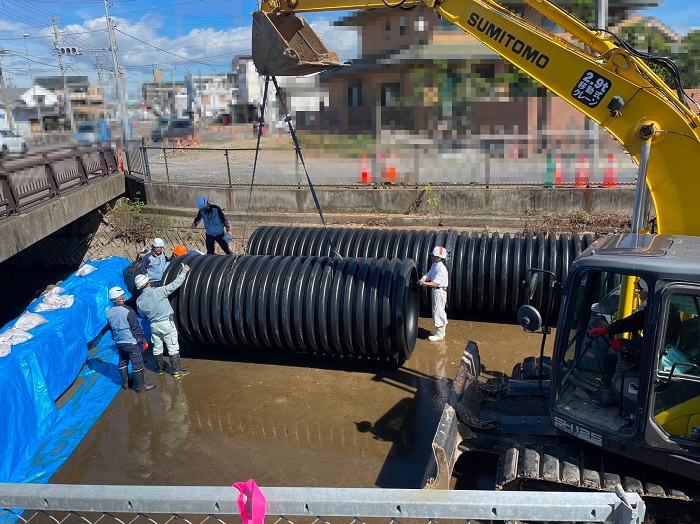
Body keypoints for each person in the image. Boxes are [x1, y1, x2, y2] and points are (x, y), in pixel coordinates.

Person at [135, 265, 191, 378]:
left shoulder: (139, 301)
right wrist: (184, 271)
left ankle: (160, 369)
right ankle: (176, 371)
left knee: (157, 347)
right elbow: (175, 284)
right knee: (172, 346)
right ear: (148, 283)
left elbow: (142, 314)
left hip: (154, 325)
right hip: (166, 323)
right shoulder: (158, 291)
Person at [106, 286, 155, 393]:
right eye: (122, 295)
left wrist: (115, 338)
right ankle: (140, 386)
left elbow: (111, 328)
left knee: (123, 360)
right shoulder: (128, 311)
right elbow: (135, 328)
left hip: (119, 342)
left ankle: (125, 383)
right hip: (131, 342)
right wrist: (143, 340)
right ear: (120, 298)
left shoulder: (109, 313)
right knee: (137, 361)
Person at [419, 246, 449, 342]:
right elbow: (428, 274)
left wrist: (424, 284)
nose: (431, 257)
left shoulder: (441, 270)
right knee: (435, 310)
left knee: (438, 311)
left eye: (433, 256)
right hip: (436, 291)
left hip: (439, 291)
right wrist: (423, 279)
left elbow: (435, 283)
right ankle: (439, 331)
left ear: (438, 258)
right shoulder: (434, 266)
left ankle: (440, 334)